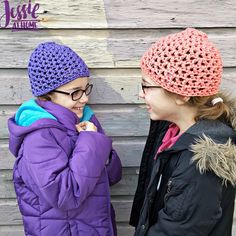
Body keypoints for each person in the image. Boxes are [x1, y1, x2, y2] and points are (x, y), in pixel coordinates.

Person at [8, 42, 122, 236]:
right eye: (75, 92)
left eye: (86, 89)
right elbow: (66, 195)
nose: (85, 98)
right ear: (48, 95)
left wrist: (100, 150)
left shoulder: (86, 119)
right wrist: (90, 143)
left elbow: (111, 177)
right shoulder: (38, 136)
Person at [129, 28, 236, 235]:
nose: (140, 94)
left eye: (146, 86)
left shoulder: (200, 165)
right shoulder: (171, 131)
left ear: (182, 95)